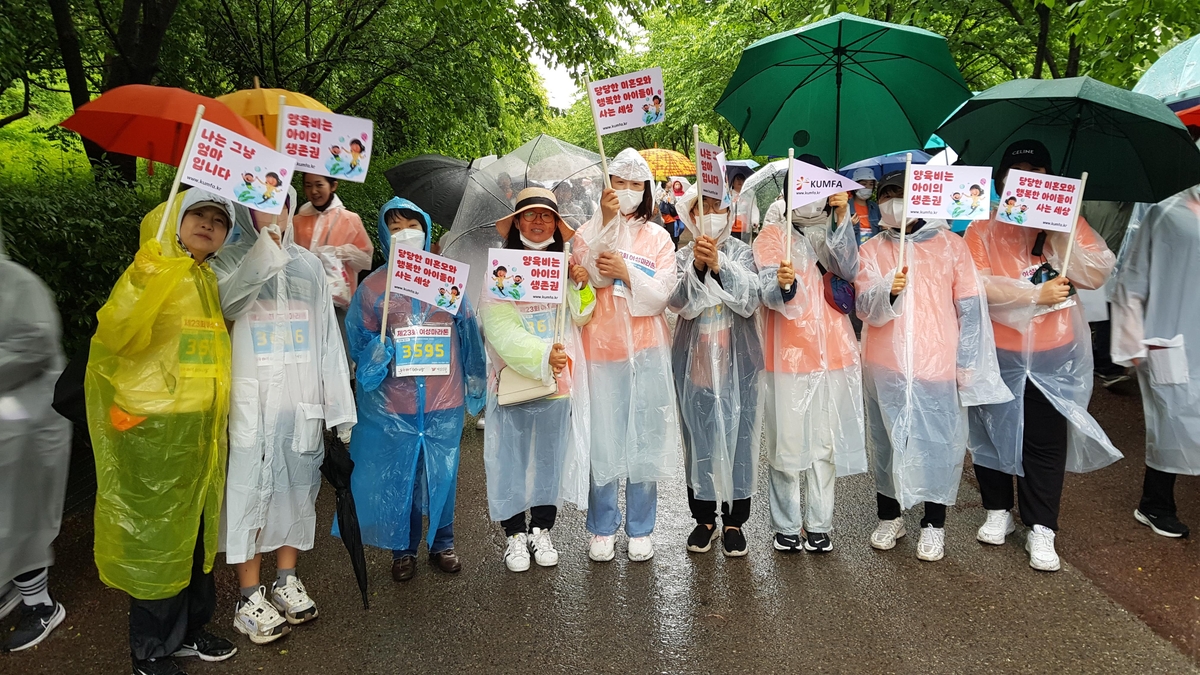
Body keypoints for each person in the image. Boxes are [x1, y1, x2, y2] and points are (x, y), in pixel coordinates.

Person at [87, 189, 239, 675]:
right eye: (199, 213)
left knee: (192, 536)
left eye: (220, 220)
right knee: (157, 540)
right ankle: (151, 647)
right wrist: (140, 281)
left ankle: (189, 632)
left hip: (198, 431)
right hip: (155, 430)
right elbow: (118, 334)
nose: (209, 225)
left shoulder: (204, 277)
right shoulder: (153, 269)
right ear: (176, 216)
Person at [965, 139, 1121, 572]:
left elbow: (1098, 270)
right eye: (1016, 176)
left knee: (1045, 443)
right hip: (997, 352)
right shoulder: (983, 228)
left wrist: (1061, 230)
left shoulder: (1069, 223)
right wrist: (1034, 293)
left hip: (1054, 357)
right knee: (991, 431)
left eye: (1038, 175)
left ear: (1051, 182)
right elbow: (977, 284)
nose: (1027, 184)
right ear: (1001, 183)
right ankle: (997, 510)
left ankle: (1041, 526)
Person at [211, 190, 356, 644]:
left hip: (299, 401)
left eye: (279, 201)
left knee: (297, 487)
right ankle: (248, 594)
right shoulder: (225, 260)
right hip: (248, 402)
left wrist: (338, 406)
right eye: (258, 201)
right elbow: (228, 306)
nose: (272, 211)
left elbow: (327, 339)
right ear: (242, 209)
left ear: (292, 207)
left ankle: (286, 579)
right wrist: (263, 253)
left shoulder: (309, 267)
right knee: (247, 491)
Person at [855, 172, 1011, 561]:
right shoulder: (872, 249)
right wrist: (887, 289)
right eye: (886, 196)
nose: (892, 203)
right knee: (887, 442)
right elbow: (864, 308)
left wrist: (967, 366)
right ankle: (890, 516)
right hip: (885, 363)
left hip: (936, 364)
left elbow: (971, 310)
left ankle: (933, 524)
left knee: (938, 445)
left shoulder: (951, 247)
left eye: (899, 195)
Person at [338, 197, 485, 582]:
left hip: (444, 399)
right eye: (397, 227)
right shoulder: (372, 288)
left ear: (426, 229)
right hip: (397, 402)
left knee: (442, 473)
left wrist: (475, 381)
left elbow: (468, 331)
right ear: (385, 235)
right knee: (402, 475)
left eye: (413, 225)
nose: (407, 235)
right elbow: (359, 346)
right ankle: (403, 549)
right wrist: (376, 353)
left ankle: (443, 542)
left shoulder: (445, 280)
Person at [573, 148, 681, 562]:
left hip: (648, 351)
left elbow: (661, 295)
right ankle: (602, 527)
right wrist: (604, 223)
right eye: (621, 182)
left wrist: (628, 272)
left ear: (649, 191)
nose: (629, 191)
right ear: (607, 186)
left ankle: (641, 527)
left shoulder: (658, 237)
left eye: (638, 185)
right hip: (601, 350)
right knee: (604, 437)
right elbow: (590, 272)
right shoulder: (588, 230)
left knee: (644, 439)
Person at [480, 188, 596, 572]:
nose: (538, 222)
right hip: (513, 379)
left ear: (556, 223)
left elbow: (580, 317)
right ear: (516, 222)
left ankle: (542, 529)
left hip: (559, 381)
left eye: (546, 216)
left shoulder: (565, 262)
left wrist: (580, 286)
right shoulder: (500, 268)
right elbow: (497, 324)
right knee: (510, 458)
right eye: (529, 215)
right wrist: (541, 354)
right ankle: (514, 535)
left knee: (549, 458)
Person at [754, 174, 867, 554]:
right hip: (786, 356)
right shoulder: (772, 236)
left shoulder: (838, 230)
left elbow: (850, 269)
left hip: (832, 354)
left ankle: (820, 524)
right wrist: (783, 285)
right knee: (785, 444)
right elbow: (768, 292)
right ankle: (786, 524)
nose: (810, 198)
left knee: (824, 445)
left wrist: (840, 216)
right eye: (802, 189)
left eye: (817, 190)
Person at [669, 186, 763, 556]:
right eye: (701, 206)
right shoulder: (681, 256)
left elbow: (751, 300)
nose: (711, 212)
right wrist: (696, 267)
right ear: (689, 214)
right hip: (695, 365)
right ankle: (704, 518)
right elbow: (680, 304)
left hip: (740, 363)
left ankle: (735, 520)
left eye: (717, 205)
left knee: (741, 437)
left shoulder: (743, 253)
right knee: (700, 438)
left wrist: (722, 267)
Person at [1110, 183, 1200, 538]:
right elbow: (1132, 277)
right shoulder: (1168, 212)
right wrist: (1129, 341)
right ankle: (1156, 503)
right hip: (1171, 333)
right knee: (1172, 419)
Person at [0, 221, 71, 652]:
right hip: (12, 419)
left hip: (25, 420)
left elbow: (36, 343)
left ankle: (39, 602)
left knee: (19, 510)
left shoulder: (16, 283)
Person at [291, 173, 374, 371]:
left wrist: (344, 253)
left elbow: (366, 260)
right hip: (303, 299)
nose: (313, 191)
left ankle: (346, 391)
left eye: (319, 185)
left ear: (333, 185)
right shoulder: (297, 220)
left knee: (341, 352)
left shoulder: (350, 219)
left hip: (339, 302)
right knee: (308, 354)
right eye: (308, 185)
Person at [849, 167, 881, 245]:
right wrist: (848, 225)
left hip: (872, 251)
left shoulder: (875, 207)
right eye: (863, 184)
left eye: (871, 184)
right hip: (854, 251)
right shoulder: (846, 207)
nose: (867, 187)